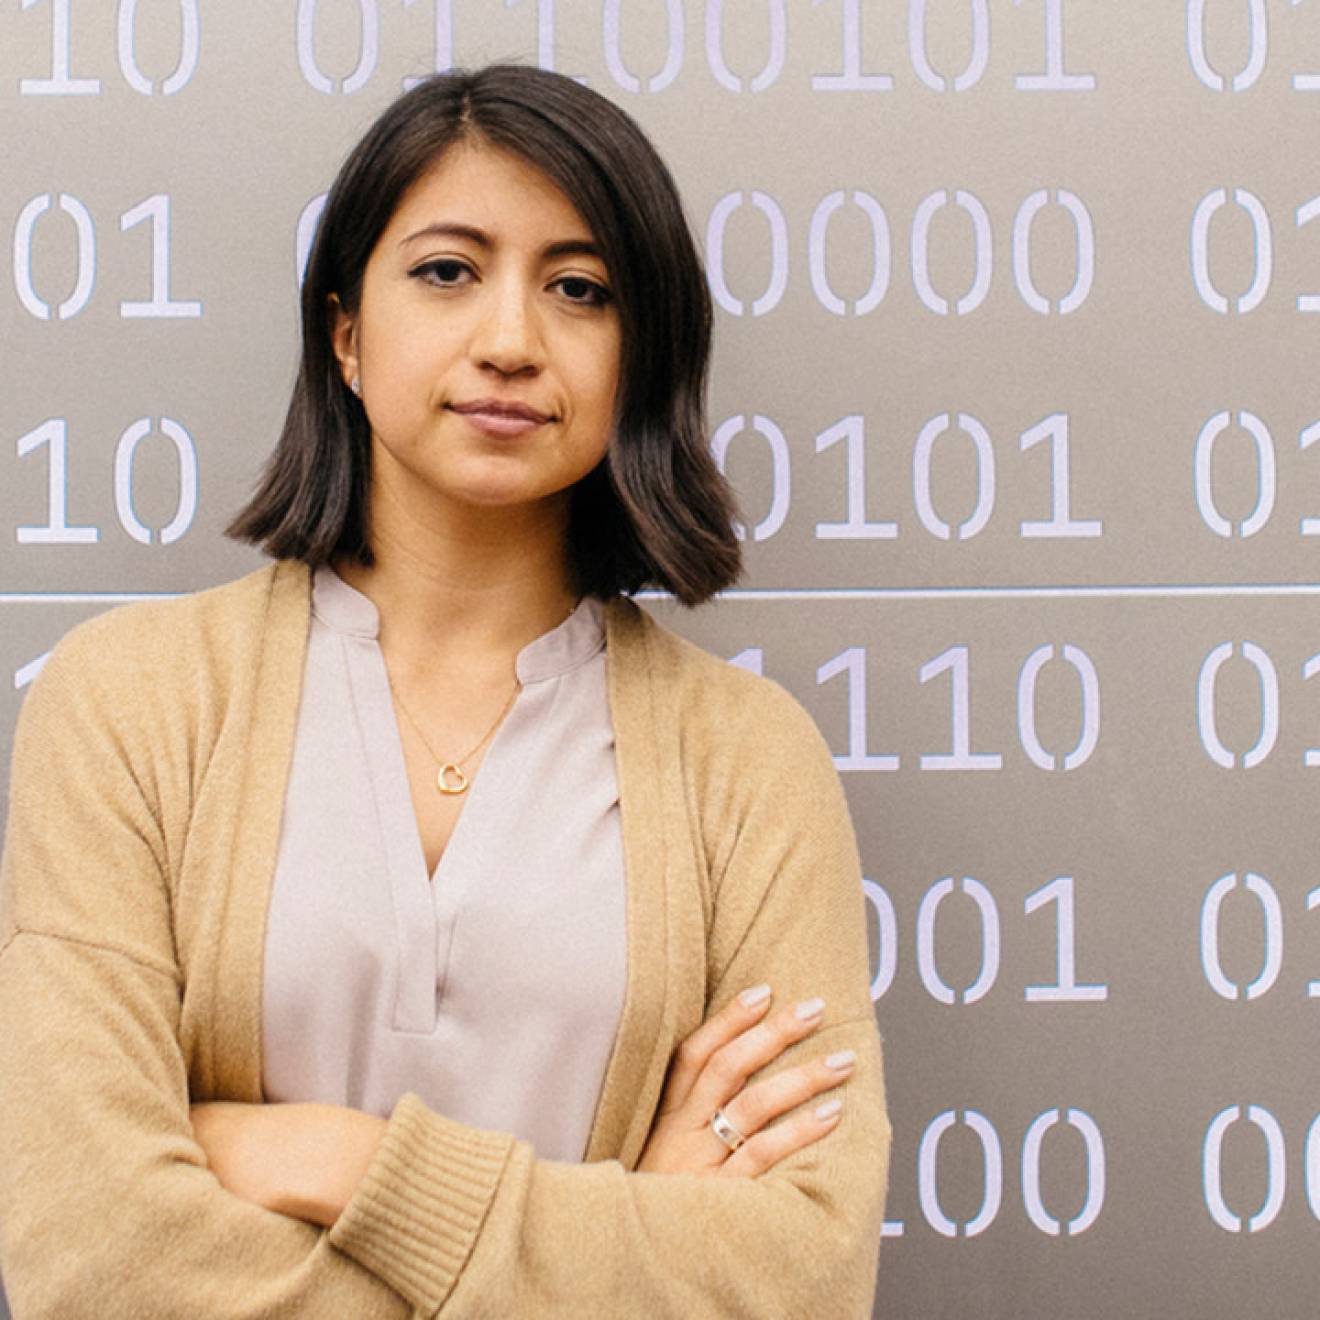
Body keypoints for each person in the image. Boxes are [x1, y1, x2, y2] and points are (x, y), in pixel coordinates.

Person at [0, 64, 890, 1317]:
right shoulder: (129, 706)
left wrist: (344, 1161)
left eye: (579, 289)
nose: (512, 340)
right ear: (345, 332)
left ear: (640, 354)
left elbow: (797, 1279)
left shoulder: (746, 760)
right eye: (447, 271)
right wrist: (628, 1233)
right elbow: (92, 1257)